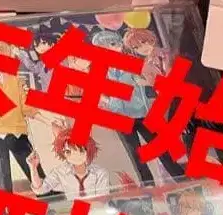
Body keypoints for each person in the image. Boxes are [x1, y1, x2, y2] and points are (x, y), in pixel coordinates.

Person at [92, 30, 185, 183]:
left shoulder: (134, 62)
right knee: (135, 152)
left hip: (141, 111)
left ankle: (179, 175)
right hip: (119, 115)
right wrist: (109, 102)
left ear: (120, 45)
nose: (109, 49)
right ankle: (147, 182)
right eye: (103, 47)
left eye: (112, 44)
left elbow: (153, 80)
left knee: (157, 146)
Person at [0, 40, 48, 193]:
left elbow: (27, 107)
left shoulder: (14, 79)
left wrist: (49, 121)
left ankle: (52, 202)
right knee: (2, 184)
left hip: (17, 132)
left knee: (36, 174)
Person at [28, 124, 110, 199]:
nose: (74, 156)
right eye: (67, 152)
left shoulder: (100, 173)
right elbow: (40, 189)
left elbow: (102, 200)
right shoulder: (60, 171)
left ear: (87, 150)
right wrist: (33, 167)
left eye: (80, 150)